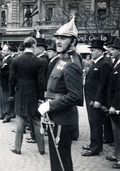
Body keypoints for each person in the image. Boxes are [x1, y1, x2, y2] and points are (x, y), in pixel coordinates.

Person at [38, 17, 83, 171]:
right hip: (56, 117)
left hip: (63, 120)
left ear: (73, 42)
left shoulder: (71, 64)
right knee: (58, 161)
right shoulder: (61, 59)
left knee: (61, 162)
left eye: (63, 38)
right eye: (57, 38)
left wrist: (50, 105)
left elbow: (75, 96)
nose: (58, 41)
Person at [10, 37, 46, 155]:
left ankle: (17, 148)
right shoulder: (40, 62)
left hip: (20, 93)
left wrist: (11, 93)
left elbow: (12, 79)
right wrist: (41, 97)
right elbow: (41, 80)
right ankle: (41, 149)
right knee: (36, 121)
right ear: (34, 46)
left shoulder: (15, 60)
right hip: (34, 93)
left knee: (20, 121)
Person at [82, 39, 112, 156]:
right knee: (92, 122)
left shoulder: (104, 64)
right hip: (91, 98)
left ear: (100, 51)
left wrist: (98, 100)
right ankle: (93, 143)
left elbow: (103, 84)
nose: (91, 53)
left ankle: (96, 148)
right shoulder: (96, 63)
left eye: (93, 50)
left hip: (95, 99)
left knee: (96, 123)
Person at [105, 37, 120, 169]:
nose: (111, 51)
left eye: (114, 49)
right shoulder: (116, 62)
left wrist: (114, 105)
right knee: (116, 132)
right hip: (113, 105)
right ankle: (117, 154)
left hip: (117, 106)